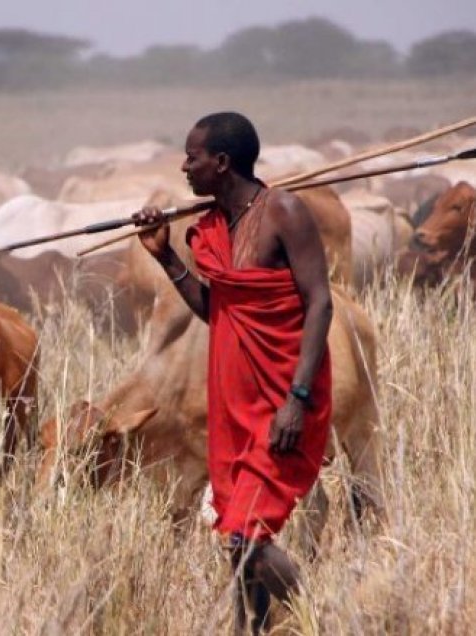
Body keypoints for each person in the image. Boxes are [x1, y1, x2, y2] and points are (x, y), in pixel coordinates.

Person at [133, 112, 333, 634]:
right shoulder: (215, 228)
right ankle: (253, 628)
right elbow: (217, 311)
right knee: (235, 536)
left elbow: (319, 304)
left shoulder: (285, 211)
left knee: (248, 537)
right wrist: (166, 257)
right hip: (233, 404)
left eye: (192, 157)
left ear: (221, 162)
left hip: (283, 398)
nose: (184, 167)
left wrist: (298, 398)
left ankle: (318, 618)